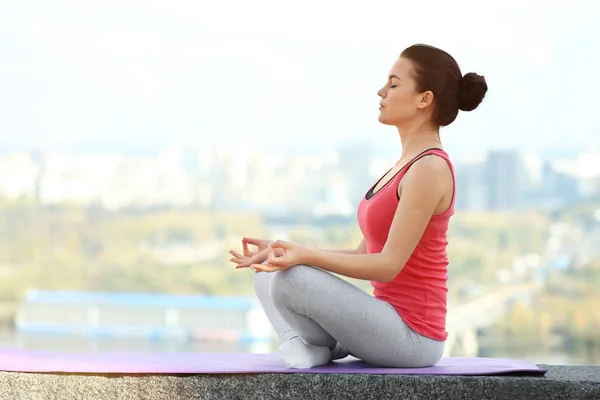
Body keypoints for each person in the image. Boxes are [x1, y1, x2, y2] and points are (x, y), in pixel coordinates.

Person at [229, 43, 488, 369]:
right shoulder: (403, 165)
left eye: (394, 84)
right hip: (382, 322)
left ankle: (308, 345)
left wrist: (304, 258)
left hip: (413, 336)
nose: (381, 92)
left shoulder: (429, 168)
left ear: (425, 98)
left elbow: (387, 265)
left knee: (290, 280)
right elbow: (365, 254)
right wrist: (288, 251)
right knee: (268, 272)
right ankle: (310, 345)